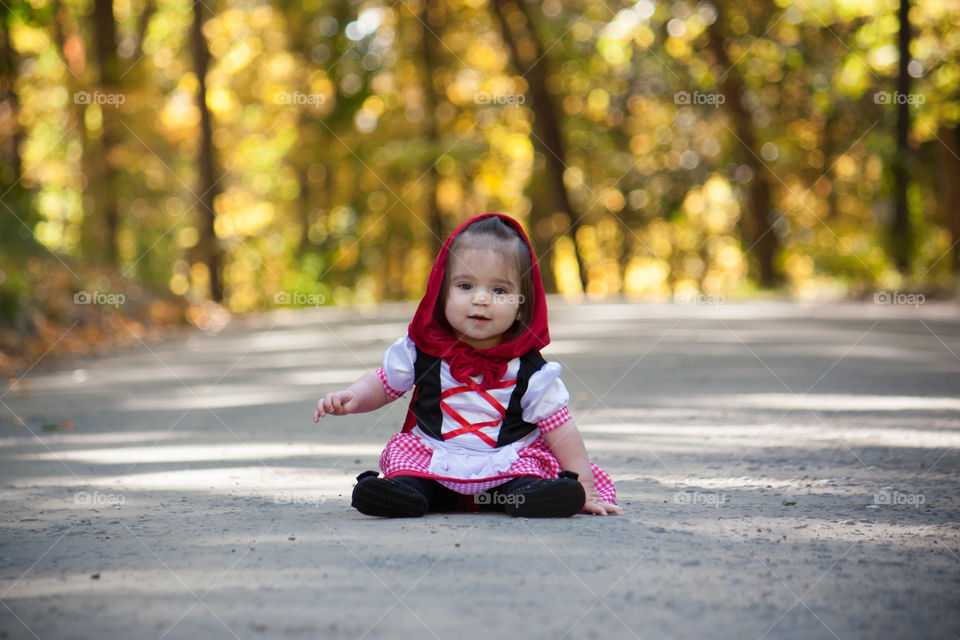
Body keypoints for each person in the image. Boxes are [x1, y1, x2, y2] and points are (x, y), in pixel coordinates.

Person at [314, 213, 622, 518]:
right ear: (441, 292)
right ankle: (402, 495)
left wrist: (586, 488)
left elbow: (561, 430)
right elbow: (384, 383)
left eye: (499, 290)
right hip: (436, 460)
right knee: (410, 468)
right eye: (465, 286)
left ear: (520, 305)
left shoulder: (530, 371)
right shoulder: (422, 350)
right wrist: (354, 397)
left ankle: (536, 497)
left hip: (504, 463)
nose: (481, 299)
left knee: (527, 473)